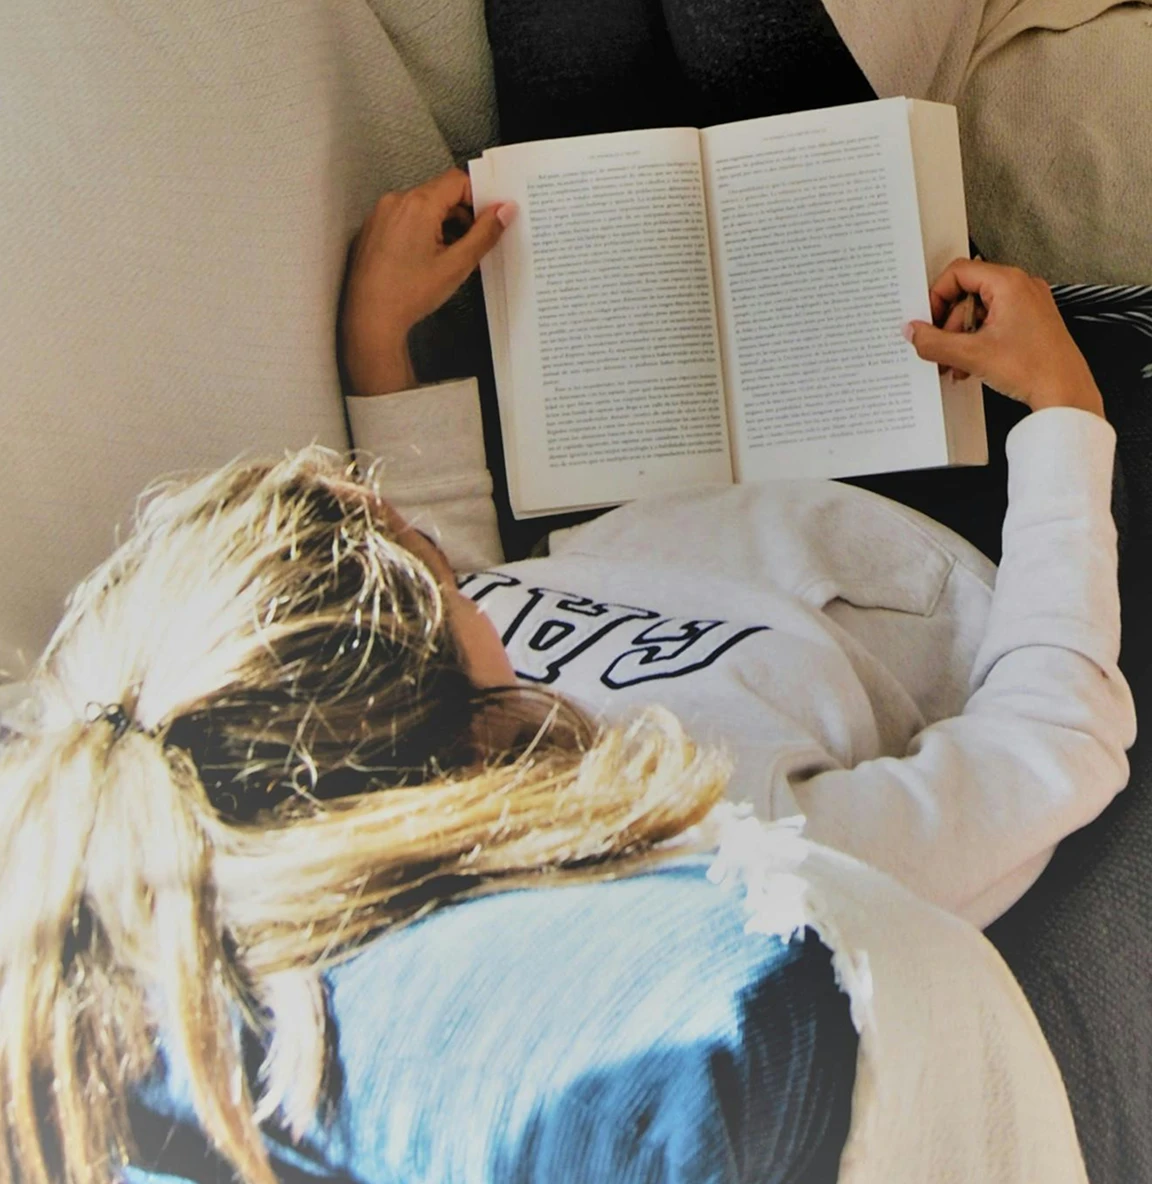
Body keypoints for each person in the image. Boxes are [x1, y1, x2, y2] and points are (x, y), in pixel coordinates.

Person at [0, 168, 1127, 1184]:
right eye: (427, 565)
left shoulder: (431, 715)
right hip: (960, 554)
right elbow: (1048, 744)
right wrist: (1067, 415)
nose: (446, 559)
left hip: (701, 484)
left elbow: (487, 575)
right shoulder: (740, 830)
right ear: (481, 720)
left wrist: (380, 348)